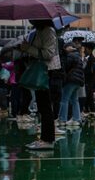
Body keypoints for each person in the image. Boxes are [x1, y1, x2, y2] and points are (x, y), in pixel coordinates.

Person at [20, 20, 60, 150]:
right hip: (42, 70)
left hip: (46, 71)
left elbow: (48, 53)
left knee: (46, 107)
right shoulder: (39, 30)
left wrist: (29, 48)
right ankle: (44, 138)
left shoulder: (48, 31)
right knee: (42, 107)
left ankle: (47, 140)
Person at [58, 41, 85, 128]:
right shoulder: (78, 55)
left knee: (64, 99)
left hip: (70, 80)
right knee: (75, 100)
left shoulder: (70, 55)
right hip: (78, 81)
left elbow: (65, 66)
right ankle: (76, 119)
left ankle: (62, 119)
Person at [82, 45, 95, 117]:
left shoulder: (92, 59)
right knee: (88, 97)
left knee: (88, 97)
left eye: (86, 49)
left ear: (90, 50)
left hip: (89, 81)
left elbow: (93, 72)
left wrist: (94, 84)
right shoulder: (86, 58)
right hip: (87, 81)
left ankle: (92, 111)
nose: (85, 50)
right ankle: (90, 111)